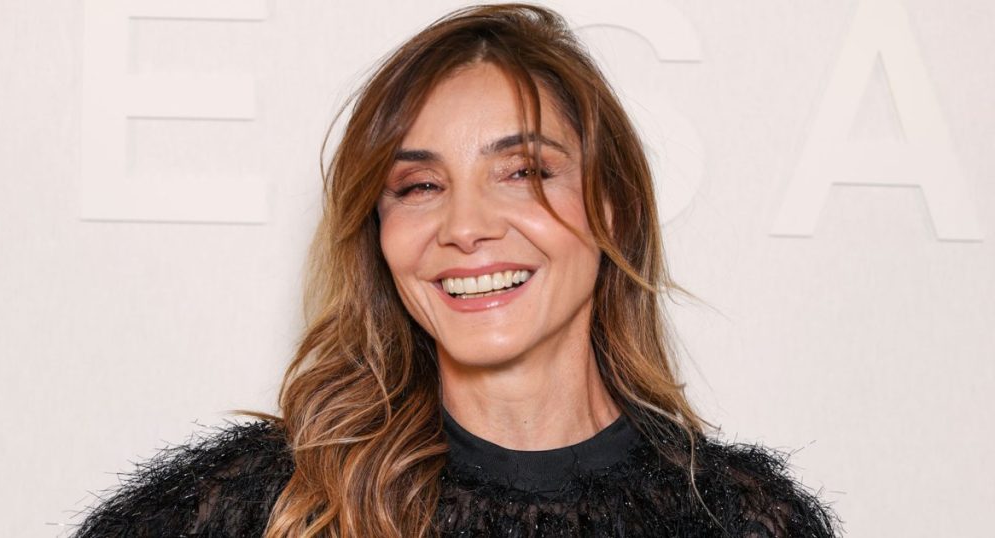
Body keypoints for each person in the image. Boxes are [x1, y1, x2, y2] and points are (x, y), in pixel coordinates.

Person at [73, 4, 838, 537]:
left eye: (522, 173)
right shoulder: (255, 509)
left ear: (615, 207)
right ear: (377, 234)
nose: (466, 228)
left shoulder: (740, 520)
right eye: (420, 187)